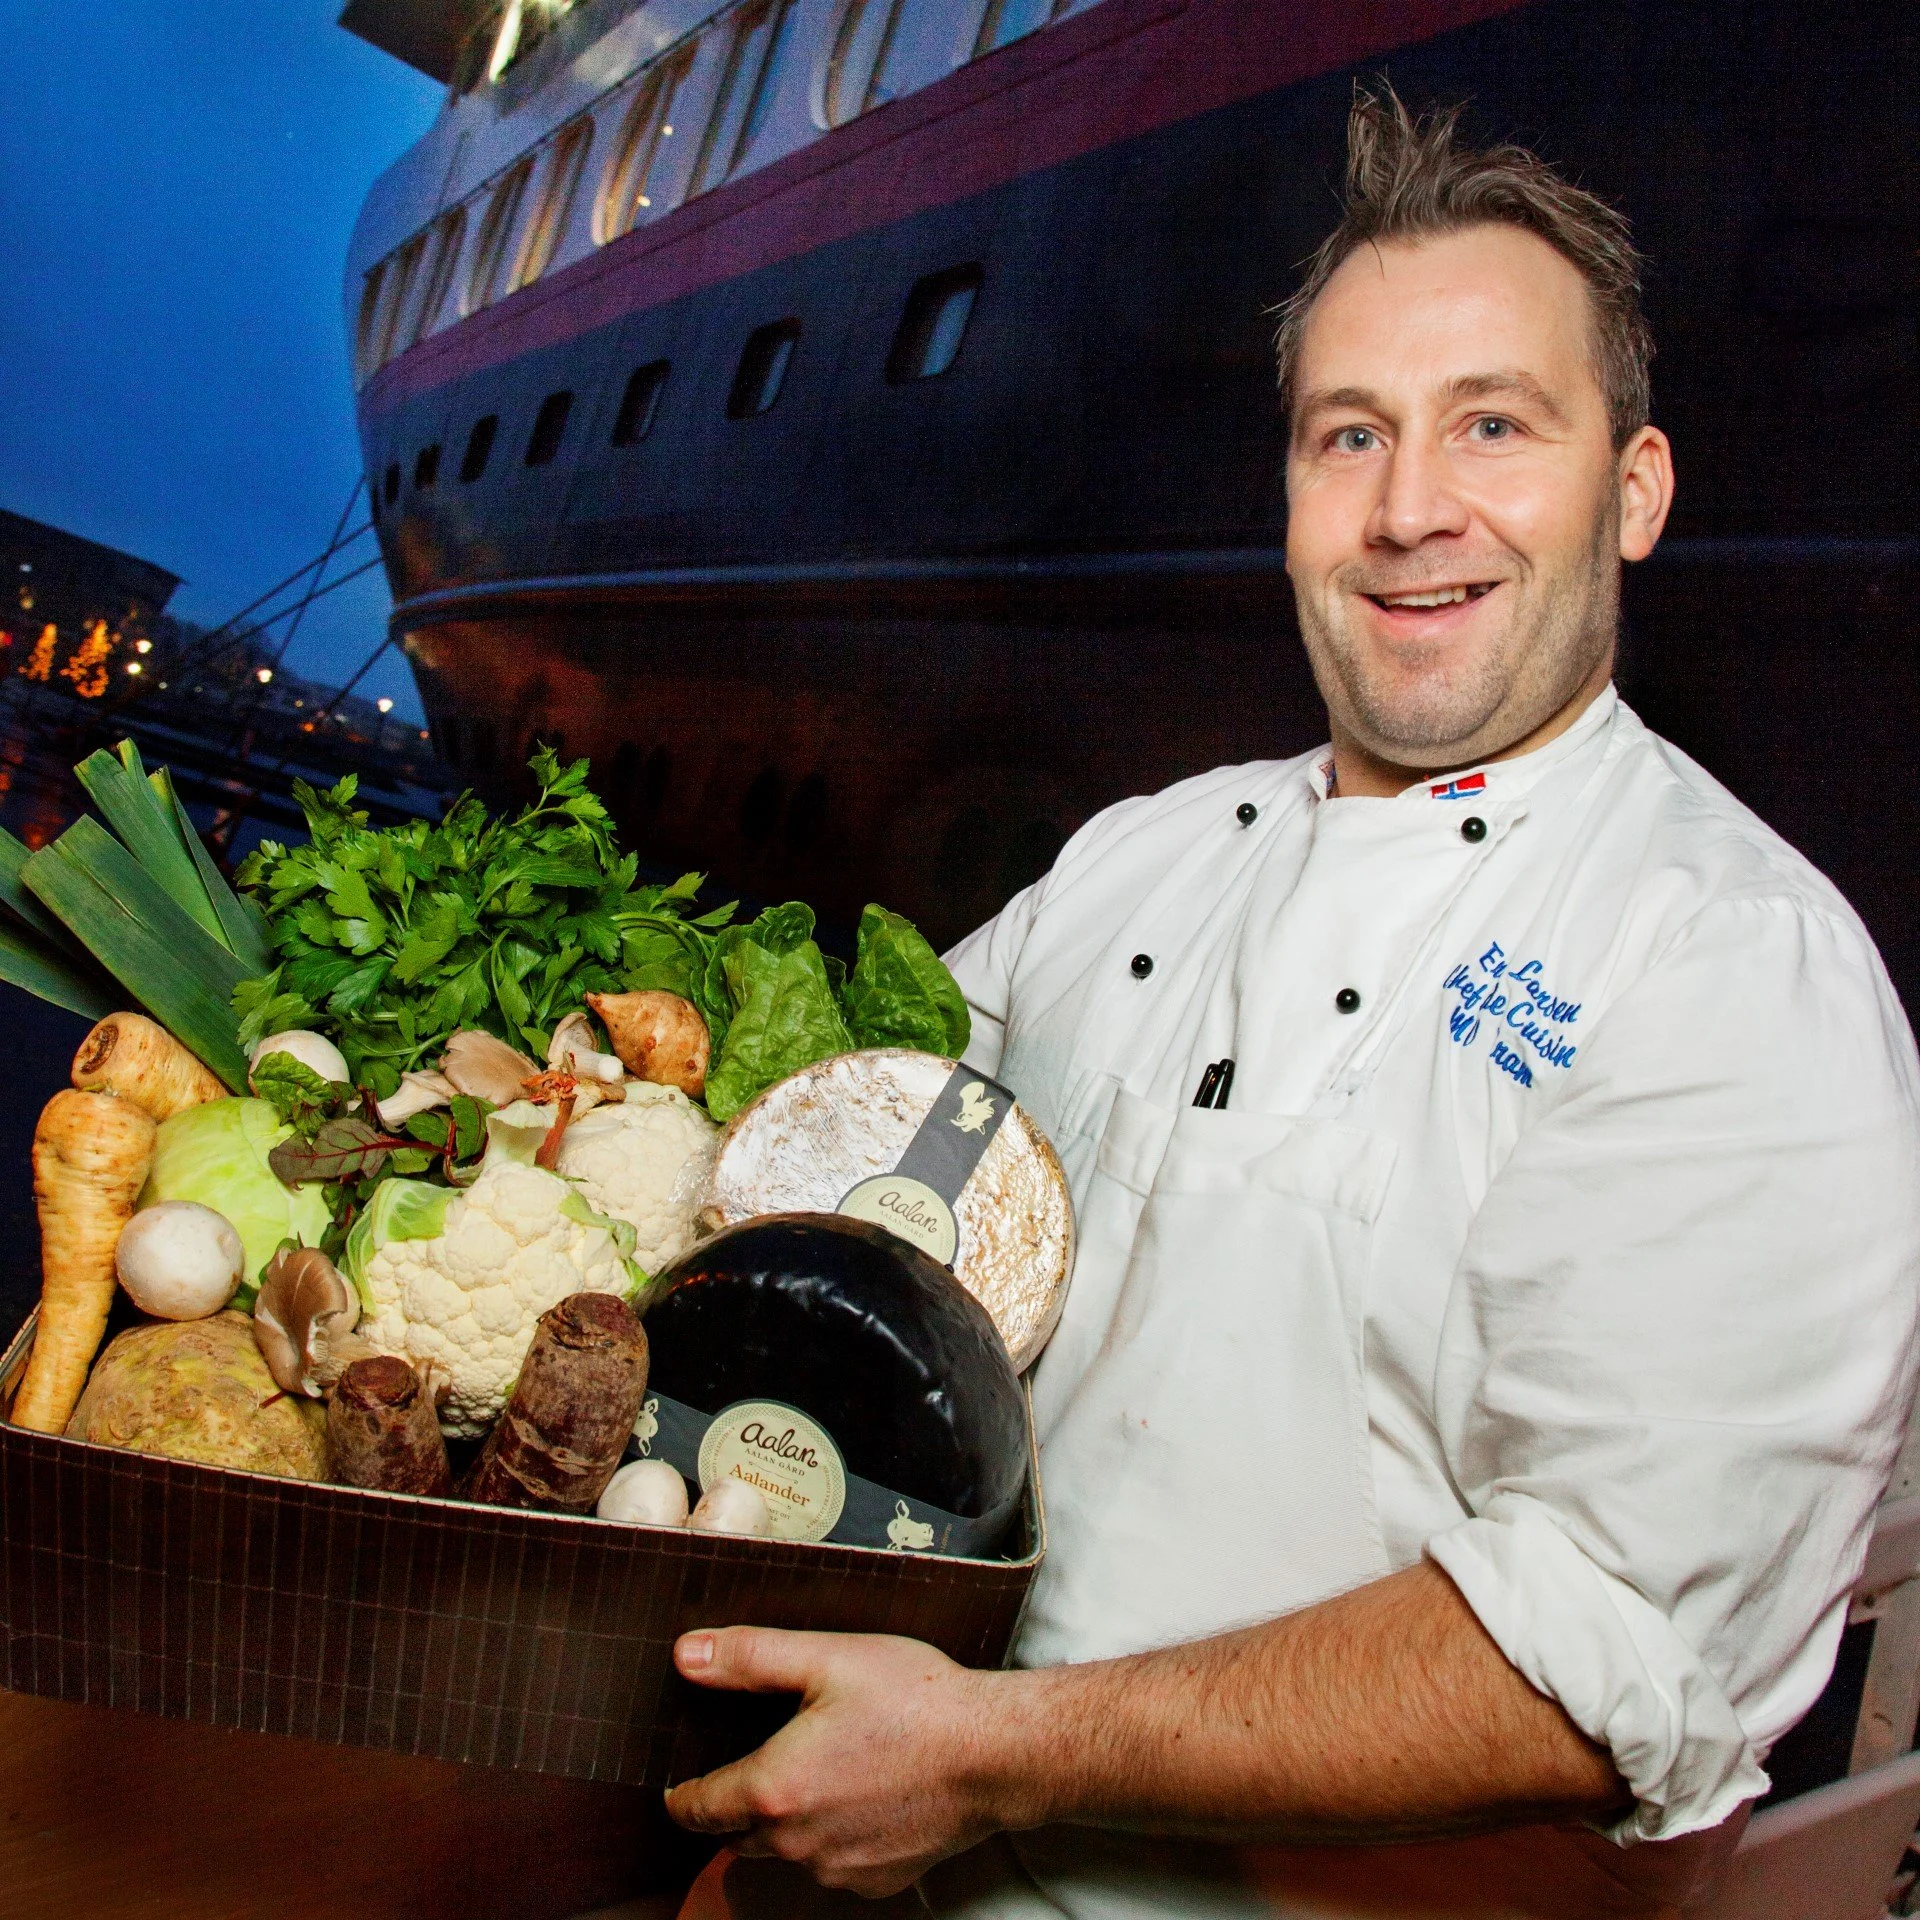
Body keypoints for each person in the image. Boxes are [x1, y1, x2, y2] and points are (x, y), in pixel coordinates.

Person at [661, 88, 1920, 1918]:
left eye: (1494, 424)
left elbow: (1597, 1654)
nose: (1414, 511)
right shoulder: (1138, 860)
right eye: (1352, 436)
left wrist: (987, 1755)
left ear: (1631, 492)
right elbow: (844, 1166)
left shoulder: (1729, 963)